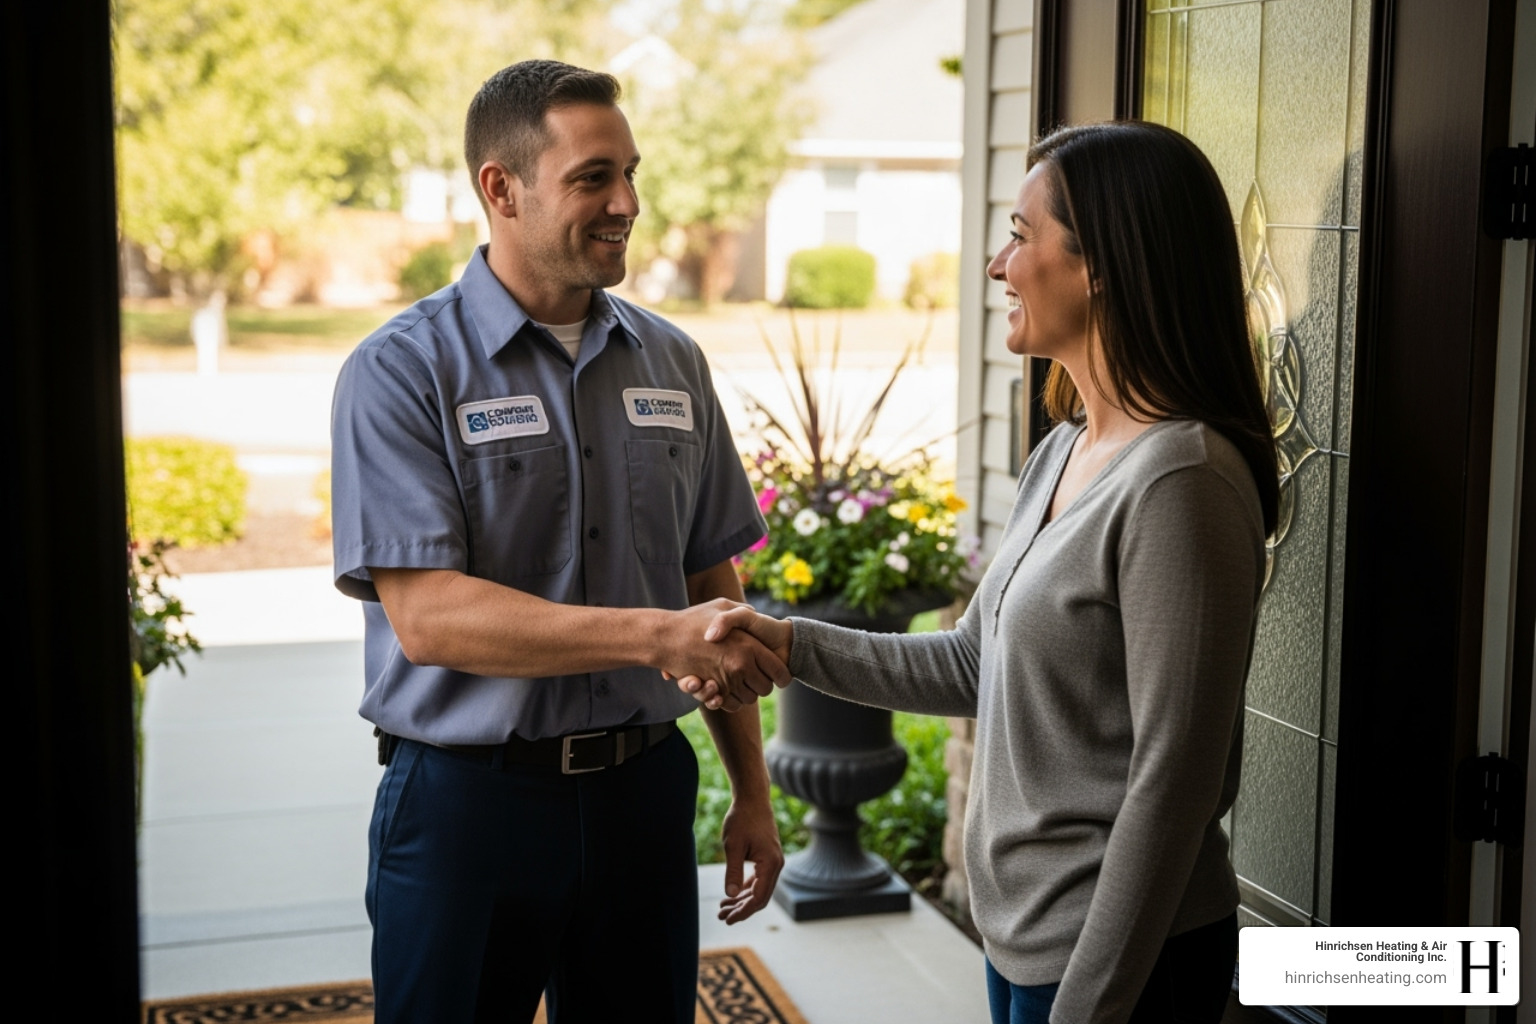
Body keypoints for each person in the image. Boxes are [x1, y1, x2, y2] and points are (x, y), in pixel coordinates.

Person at [680, 121, 1280, 1024]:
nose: (999, 266)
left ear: (1102, 265)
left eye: (1020, 235)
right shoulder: (1069, 449)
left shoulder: (1180, 482)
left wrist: (1088, 1007)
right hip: (1029, 945)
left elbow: (1174, 785)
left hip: (1118, 968)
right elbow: (973, 663)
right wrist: (791, 644)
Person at [329, 59, 787, 1024]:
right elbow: (432, 620)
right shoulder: (402, 372)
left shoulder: (672, 359)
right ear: (501, 187)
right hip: (466, 806)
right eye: (592, 178)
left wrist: (752, 788)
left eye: (630, 173)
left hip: (641, 798)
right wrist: (652, 638)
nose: (626, 202)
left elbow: (711, 578)